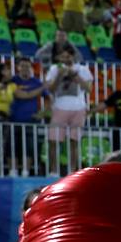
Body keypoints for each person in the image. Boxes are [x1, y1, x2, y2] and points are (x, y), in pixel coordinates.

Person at [45, 47, 93, 175]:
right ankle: (53, 171)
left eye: (68, 56)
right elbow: (50, 89)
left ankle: (73, 172)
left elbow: (88, 89)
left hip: (78, 108)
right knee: (54, 141)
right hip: (59, 107)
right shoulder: (54, 69)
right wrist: (60, 75)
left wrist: (75, 76)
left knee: (74, 141)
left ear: (73, 57)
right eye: (63, 57)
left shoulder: (83, 69)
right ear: (59, 58)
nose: (66, 59)